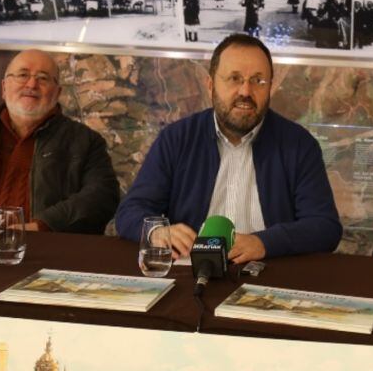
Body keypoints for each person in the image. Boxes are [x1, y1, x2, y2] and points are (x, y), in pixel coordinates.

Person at [114, 34, 341, 264]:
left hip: (269, 274)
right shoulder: (177, 139)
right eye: (234, 78)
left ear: (270, 87)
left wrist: (264, 243)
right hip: (192, 273)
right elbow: (130, 211)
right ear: (211, 85)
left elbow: (324, 226)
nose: (245, 91)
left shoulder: (298, 144)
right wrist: (158, 232)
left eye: (258, 81)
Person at [0, 49, 119, 234]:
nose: (32, 84)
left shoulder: (85, 142)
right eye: (23, 75)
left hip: (49, 248)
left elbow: (102, 197)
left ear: (57, 93)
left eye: (43, 78)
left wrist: (41, 226)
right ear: (4, 87)